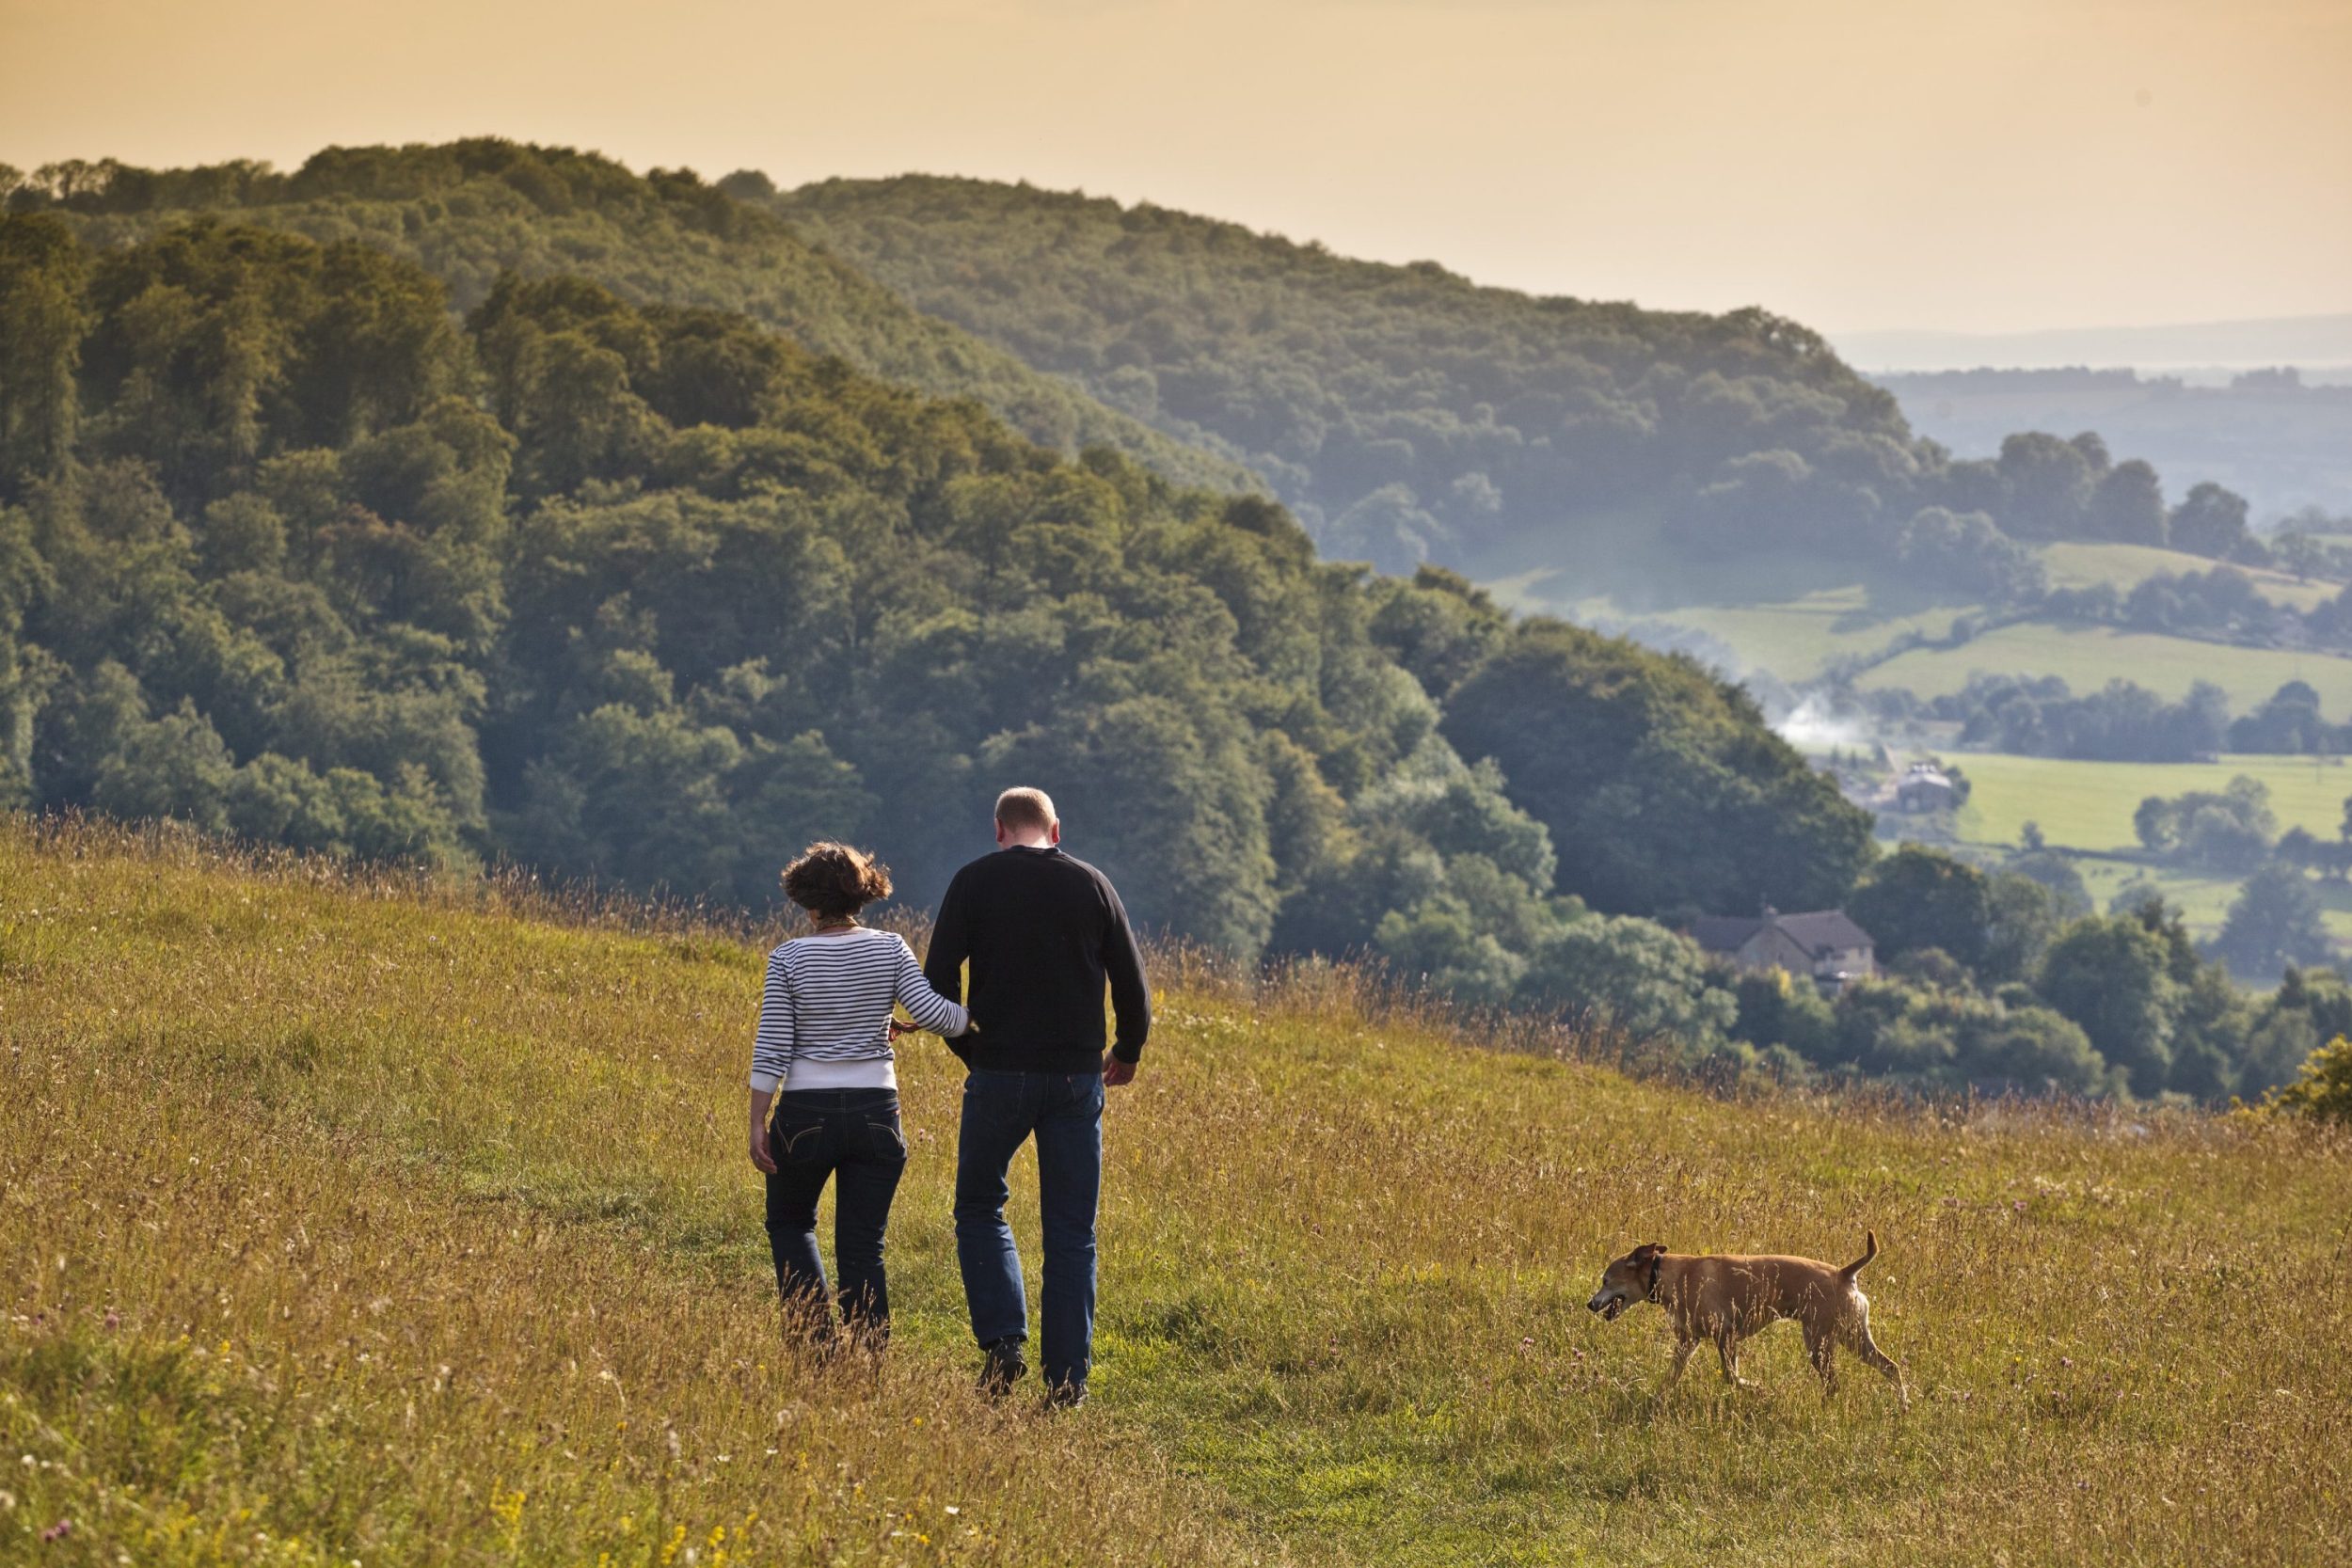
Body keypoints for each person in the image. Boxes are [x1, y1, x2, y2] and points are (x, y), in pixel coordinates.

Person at [923, 786, 1151, 1406]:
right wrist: (1126, 1052)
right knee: (1071, 1229)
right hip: (1078, 1079)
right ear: (1057, 829)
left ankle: (1004, 1341)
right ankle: (1068, 1379)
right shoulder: (1094, 885)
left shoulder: (973, 882)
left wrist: (972, 1048)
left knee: (978, 1204)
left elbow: (936, 983)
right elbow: (1132, 984)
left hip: (999, 1072)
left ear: (999, 829)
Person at [747, 841, 973, 1348]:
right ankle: (870, 1355)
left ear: (808, 901)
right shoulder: (890, 947)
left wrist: (758, 1120)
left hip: (805, 1112)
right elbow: (938, 1015)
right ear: (862, 894)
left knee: (790, 1223)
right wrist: (973, 1017)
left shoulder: (787, 958)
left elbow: (773, 1046)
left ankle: (814, 1346)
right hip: (876, 1112)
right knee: (864, 1244)